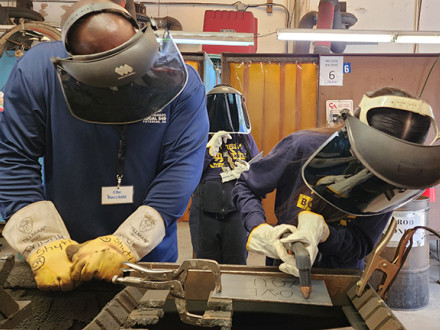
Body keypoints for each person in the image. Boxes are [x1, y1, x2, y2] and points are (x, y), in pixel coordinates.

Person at [0, 0, 209, 291]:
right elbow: (13, 158)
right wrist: (41, 242)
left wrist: (129, 243)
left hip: (148, 260)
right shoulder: (38, 71)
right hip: (65, 256)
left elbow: (181, 167)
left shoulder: (182, 83)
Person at [232, 87, 440, 276]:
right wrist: (259, 228)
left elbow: (361, 243)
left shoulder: (392, 177)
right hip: (282, 264)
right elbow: (246, 186)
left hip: (341, 275)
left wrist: (326, 234)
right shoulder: (303, 147)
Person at [189, 84, 259, 265]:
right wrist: (208, 152)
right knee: (205, 264)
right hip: (204, 211)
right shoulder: (198, 137)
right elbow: (188, 173)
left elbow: (259, 170)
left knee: (236, 263)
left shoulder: (244, 137)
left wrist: (248, 172)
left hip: (235, 210)